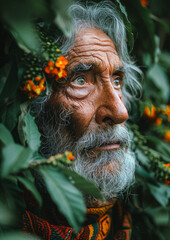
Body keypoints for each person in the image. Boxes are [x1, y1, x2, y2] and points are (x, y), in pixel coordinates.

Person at [23, 1, 141, 239]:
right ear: (30, 106)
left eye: (116, 80)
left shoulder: (132, 221)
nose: (120, 113)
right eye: (80, 80)